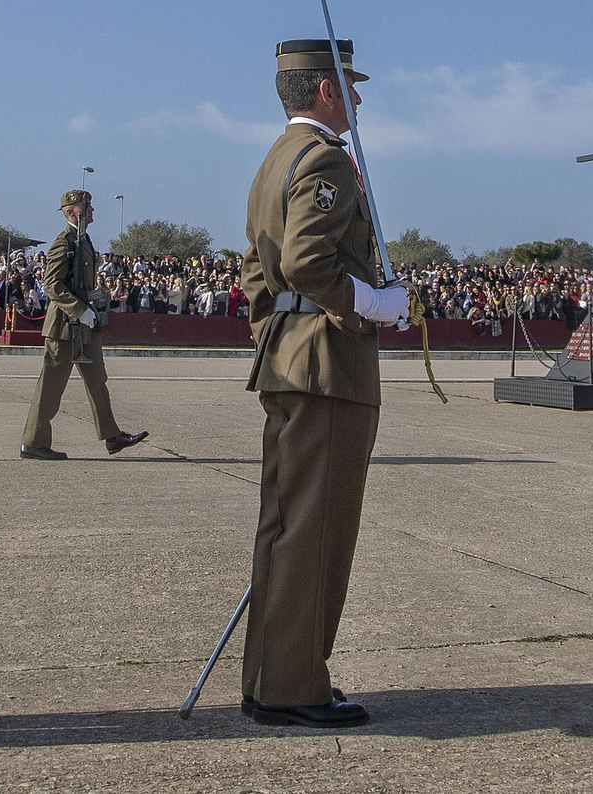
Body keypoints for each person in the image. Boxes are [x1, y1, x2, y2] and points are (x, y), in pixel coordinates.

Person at [239, 38, 409, 728]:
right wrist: (372, 304)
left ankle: (273, 675)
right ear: (325, 93)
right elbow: (309, 261)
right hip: (327, 367)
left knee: (285, 528)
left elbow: (259, 272)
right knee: (316, 531)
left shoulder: (274, 162)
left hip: (289, 360)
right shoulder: (326, 160)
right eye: (352, 87)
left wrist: (276, 331)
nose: (360, 100)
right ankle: (293, 686)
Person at [18, 190, 149, 460]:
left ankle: (112, 436)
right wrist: (79, 310)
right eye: (86, 207)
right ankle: (34, 442)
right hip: (64, 328)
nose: (92, 211)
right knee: (51, 386)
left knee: (97, 380)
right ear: (70, 212)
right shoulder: (63, 242)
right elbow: (52, 285)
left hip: (84, 326)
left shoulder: (82, 240)